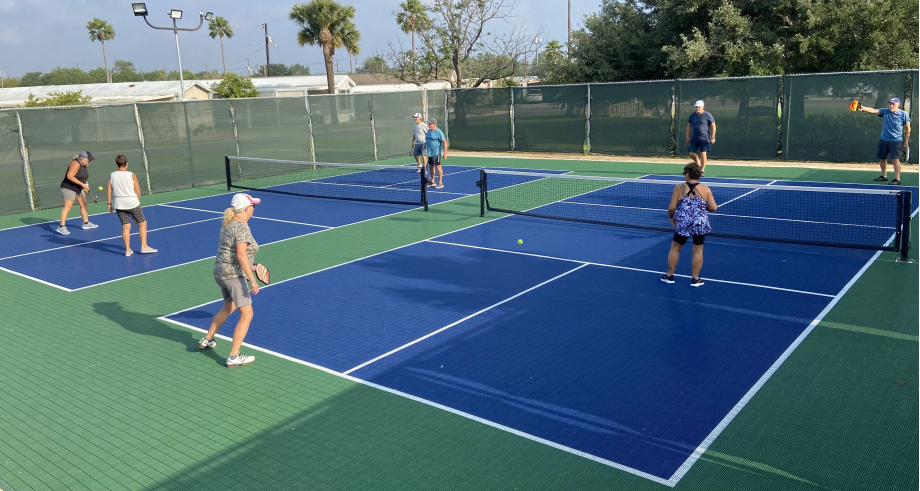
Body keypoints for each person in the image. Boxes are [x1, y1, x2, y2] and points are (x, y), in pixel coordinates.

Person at [199, 193, 262, 368]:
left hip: (220, 272)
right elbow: (241, 255)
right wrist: (252, 280)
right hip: (233, 275)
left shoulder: (227, 223)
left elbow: (231, 252)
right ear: (247, 209)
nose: (254, 209)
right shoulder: (242, 227)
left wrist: (251, 266)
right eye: (253, 206)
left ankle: (207, 339)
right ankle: (234, 356)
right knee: (247, 315)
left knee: (229, 307)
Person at [662, 162, 718, 287]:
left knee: (675, 248)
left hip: (683, 223)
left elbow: (672, 207)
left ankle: (669, 276)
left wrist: (671, 217)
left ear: (688, 173)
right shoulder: (705, 189)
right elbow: (714, 207)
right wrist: (702, 208)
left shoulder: (679, 188)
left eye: (684, 173)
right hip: (700, 223)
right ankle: (695, 279)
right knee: (698, 251)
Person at [107, 155, 157, 257]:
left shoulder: (112, 175)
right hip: (133, 203)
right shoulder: (131, 175)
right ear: (126, 164)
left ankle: (128, 250)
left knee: (126, 227)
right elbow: (137, 190)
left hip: (119, 205)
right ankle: (144, 246)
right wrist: (136, 202)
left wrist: (109, 204)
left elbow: (109, 191)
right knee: (142, 223)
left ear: (117, 164)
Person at [858, 97, 911, 185]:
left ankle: (897, 179)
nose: (891, 105)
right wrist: (862, 107)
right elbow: (874, 110)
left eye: (893, 104)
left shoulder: (903, 114)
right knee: (882, 158)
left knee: (895, 160)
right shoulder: (885, 111)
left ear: (898, 104)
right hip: (884, 140)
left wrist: (906, 141)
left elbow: (908, 129)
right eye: (890, 104)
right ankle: (884, 176)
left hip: (896, 141)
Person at [57, 150, 98, 235]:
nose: (90, 162)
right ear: (83, 159)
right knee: (68, 206)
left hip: (78, 188)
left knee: (83, 204)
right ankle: (61, 227)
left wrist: (86, 184)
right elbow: (70, 176)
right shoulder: (75, 163)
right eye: (89, 160)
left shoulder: (83, 165)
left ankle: (86, 223)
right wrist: (82, 184)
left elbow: (83, 177)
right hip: (69, 188)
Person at [686, 100, 716, 177]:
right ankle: (698, 163)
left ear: (702, 107)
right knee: (691, 153)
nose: (697, 108)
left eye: (699, 107)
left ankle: (702, 170)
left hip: (705, 139)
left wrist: (713, 137)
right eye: (696, 107)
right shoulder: (692, 115)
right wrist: (687, 136)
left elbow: (713, 126)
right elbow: (688, 126)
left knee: (703, 153)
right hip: (694, 139)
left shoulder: (708, 115)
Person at [425, 118, 448, 189]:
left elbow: (444, 142)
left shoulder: (439, 132)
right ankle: (432, 181)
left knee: (438, 167)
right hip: (430, 153)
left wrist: (445, 153)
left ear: (434, 124)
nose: (429, 125)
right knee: (431, 166)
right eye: (428, 124)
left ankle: (440, 183)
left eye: (430, 124)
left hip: (436, 153)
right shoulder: (428, 132)